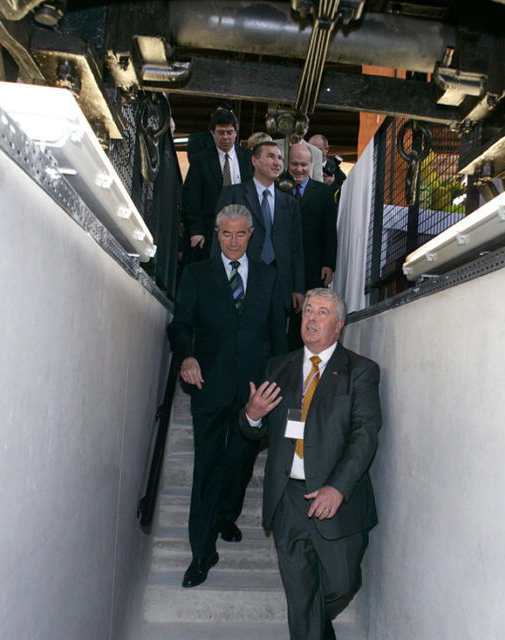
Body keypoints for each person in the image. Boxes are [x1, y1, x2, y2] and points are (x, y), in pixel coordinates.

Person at [242, 287, 382, 640]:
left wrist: (338, 487)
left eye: (322, 313)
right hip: (288, 498)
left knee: (342, 584)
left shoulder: (360, 372)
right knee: (301, 598)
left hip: (337, 500)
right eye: (307, 311)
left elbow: (365, 435)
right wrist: (252, 415)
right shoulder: (279, 367)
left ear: (339, 325)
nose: (312, 319)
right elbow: (249, 430)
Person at [166, 204, 287, 588]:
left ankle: (225, 515)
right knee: (207, 466)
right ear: (217, 234)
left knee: (240, 461)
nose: (233, 242)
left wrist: (276, 387)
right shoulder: (197, 275)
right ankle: (201, 552)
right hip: (210, 386)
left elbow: (278, 339)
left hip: (253, 391)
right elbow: (181, 325)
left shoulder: (269, 278)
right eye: (226, 234)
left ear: (252, 234)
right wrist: (186, 356)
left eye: (240, 234)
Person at [216, 140, 305, 317]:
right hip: (240, 279)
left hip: (279, 283)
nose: (277, 162)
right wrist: (217, 282)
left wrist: (298, 288)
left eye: (280, 158)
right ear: (254, 161)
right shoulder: (233, 194)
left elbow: (296, 248)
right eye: (270, 156)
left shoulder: (290, 204)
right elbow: (218, 240)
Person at [181, 108, 253, 262]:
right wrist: (196, 231)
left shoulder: (248, 159)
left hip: (242, 230)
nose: (225, 137)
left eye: (229, 132)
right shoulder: (200, 160)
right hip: (209, 232)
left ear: (236, 132)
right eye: (221, 132)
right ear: (212, 133)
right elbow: (193, 199)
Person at [286, 143, 338, 349]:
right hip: (282, 265)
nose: (299, 169)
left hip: (313, 266)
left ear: (311, 165)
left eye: (303, 165)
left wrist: (328, 264)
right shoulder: (277, 188)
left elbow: (329, 232)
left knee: (306, 316)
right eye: (294, 164)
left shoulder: (324, 193)